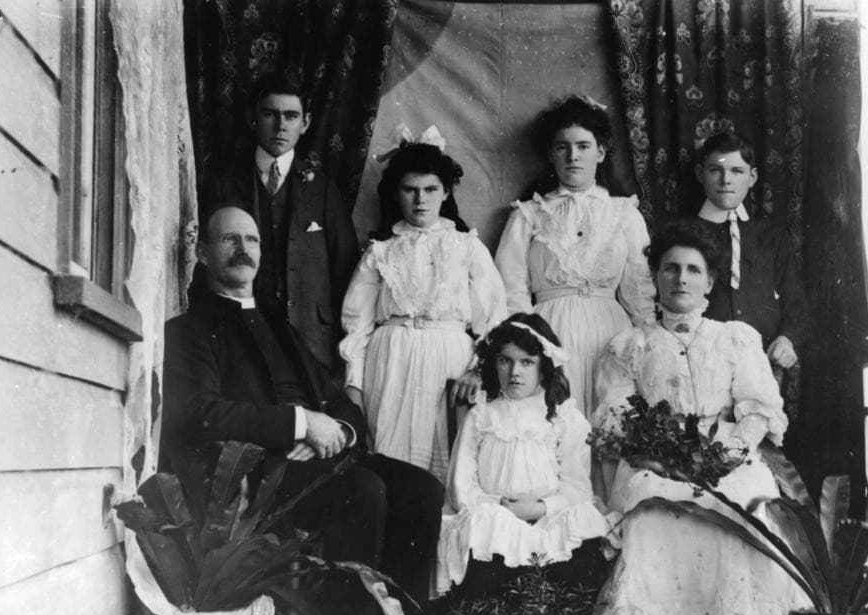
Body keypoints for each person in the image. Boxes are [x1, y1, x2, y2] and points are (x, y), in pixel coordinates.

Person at [161, 205, 444, 615]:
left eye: (251, 240)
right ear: (203, 254)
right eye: (229, 240)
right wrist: (300, 424)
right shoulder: (188, 331)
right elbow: (201, 413)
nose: (243, 250)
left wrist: (335, 431)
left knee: (423, 489)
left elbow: (341, 402)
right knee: (363, 490)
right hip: (259, 471)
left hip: (320, 455)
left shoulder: (279, 327)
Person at [588, 220, 804, 615]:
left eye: (692, 270)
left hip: (726, 452)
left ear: (710, 281)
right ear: (655, 277)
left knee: (745, 501)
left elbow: (757, 409)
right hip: (654, 457)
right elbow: (615, 411)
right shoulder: (630, 345)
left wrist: (726, 453)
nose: (681, 279)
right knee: (648, 503)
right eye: (670, 269)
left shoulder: (734, 338)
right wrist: (657, 452)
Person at [339, 133, 508, 480]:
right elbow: (357, 324)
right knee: (388, 458)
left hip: (449, 362)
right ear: (396, 193)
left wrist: (477, 371)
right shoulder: (380, 251)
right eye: (410, 190)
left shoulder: (468, 247)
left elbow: (496, 317)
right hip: (391, 361)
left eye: (430, 189)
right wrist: (354, 386)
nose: (420, 200)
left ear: (446, 192)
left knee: (448, 464)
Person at [492, 95, 657, 427]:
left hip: (611, 335)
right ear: (551, 154)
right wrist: (528, 344)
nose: (573, 156)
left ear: (601, 152)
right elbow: (510, 288)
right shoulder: (529, 215)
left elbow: (640, 290)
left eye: (583, 146)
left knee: (610, 426)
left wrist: (648, 343)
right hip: (549, 334)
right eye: (562, 147)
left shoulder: (624, 214)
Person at [434, 314, 611, 599]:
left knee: (581, 528)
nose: (514, 372)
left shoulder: (565, 418)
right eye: (505, 361)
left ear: (544, 368)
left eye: (527, 362)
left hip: (548, 517)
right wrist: (502, 509)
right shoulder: (481, 416)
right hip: (495, 515)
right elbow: (461, 487)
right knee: (486, 530)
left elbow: (577, 489)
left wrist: (539, 509)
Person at [204, 73, 359, 372]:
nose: (281, 126)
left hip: (311, 341)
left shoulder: (323, 189)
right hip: (242, 337)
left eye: (291, 116)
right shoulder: (225, 183)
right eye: (269, 114)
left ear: (306, 122)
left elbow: (346, 270)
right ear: (252, 118)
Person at [693, 130, 809, 369]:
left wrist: (787, 339)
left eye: (737, 171)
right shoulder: (684, 234)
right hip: (702, 362)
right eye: (715, 170)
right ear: (700, 174)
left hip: (761, 363)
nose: (726, 180)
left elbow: (796, 303)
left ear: (752, 177)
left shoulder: (773, 237)